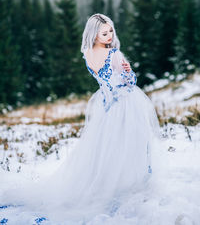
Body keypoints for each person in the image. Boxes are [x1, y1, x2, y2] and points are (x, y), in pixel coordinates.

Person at [0, 13, 161, 224]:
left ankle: (109, 182)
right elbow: (129, 82)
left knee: (106, 146)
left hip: (105, 105)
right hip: (124, 103)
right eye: (104, 32)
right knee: (132, 142)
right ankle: (131, 182)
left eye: (111, 30)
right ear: (94, 34)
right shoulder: (114, 54)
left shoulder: (87, 53)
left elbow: (102, 78)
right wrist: (130, 72)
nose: (110, 35)